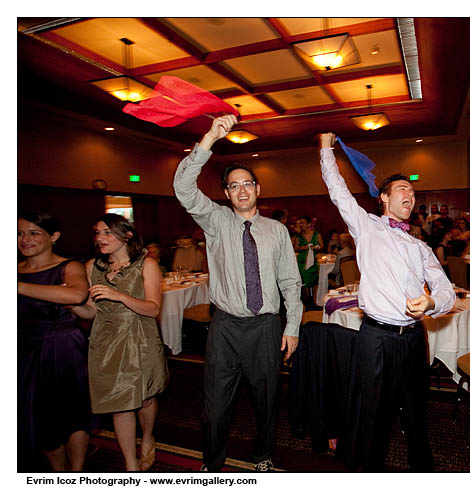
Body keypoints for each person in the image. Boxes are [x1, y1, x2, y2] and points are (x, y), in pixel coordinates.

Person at [319, 132, 455, 471]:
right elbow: (337, 190)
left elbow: (446, 290)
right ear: (383, 198)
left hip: (412, 340)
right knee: (371, 416)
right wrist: (325, 149)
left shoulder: (419, 246)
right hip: (376, 339)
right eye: (402, 189)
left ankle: (423, 471)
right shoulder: (366, 227)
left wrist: (431, 303)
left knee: (415, 413)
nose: (410, 195)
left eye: (412, 191)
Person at [173, 114, 302, 472]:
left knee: (266, 401)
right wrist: (209, 140)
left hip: (265, 328)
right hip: (226, 328)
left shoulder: (277, 231)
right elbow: (183, 187)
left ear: (258, 189)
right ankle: (212, 464)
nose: (242, 190)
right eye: (234, 186)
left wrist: (292, 327)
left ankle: (263, 456)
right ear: (227, 194)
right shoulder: (215, 221)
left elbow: (291, 282)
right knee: (215, 408)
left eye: (248, 184)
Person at [70, 213, 168, 471]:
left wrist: (118, 295)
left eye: (106, 232)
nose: (100, 238)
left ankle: (147, 437)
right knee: (118, 403)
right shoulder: (92, 266)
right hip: (105, 340)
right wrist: (72, 306)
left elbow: (153, 308)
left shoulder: (146, 265)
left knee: (145, 398)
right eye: (97, 233)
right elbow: (92, 311)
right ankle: (130, 464)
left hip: (140, 336)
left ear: (127, 235)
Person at [18, 211, 93, 471]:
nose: (25, 239)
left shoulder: (68, 266)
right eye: (19, 233)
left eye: (33, 233)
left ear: (54, 237)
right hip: (23, 350)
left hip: (63, 347)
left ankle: (77, 471)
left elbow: (77, 294)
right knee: (35, 417)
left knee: (73, 413)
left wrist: (17, 287)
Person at [293, 215, 323, 291]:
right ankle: (307, 299)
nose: (301, 225)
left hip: (313, 261)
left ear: (309, 224)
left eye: (303, 223)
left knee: (314, 281)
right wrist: (303, 247)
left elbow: (322, 246)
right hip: (302, 262)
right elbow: (295, 248)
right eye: (300, 223)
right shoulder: (299, 236)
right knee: (304, 281)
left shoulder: (316, 234)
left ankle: (314, 300)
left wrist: (316, 247)